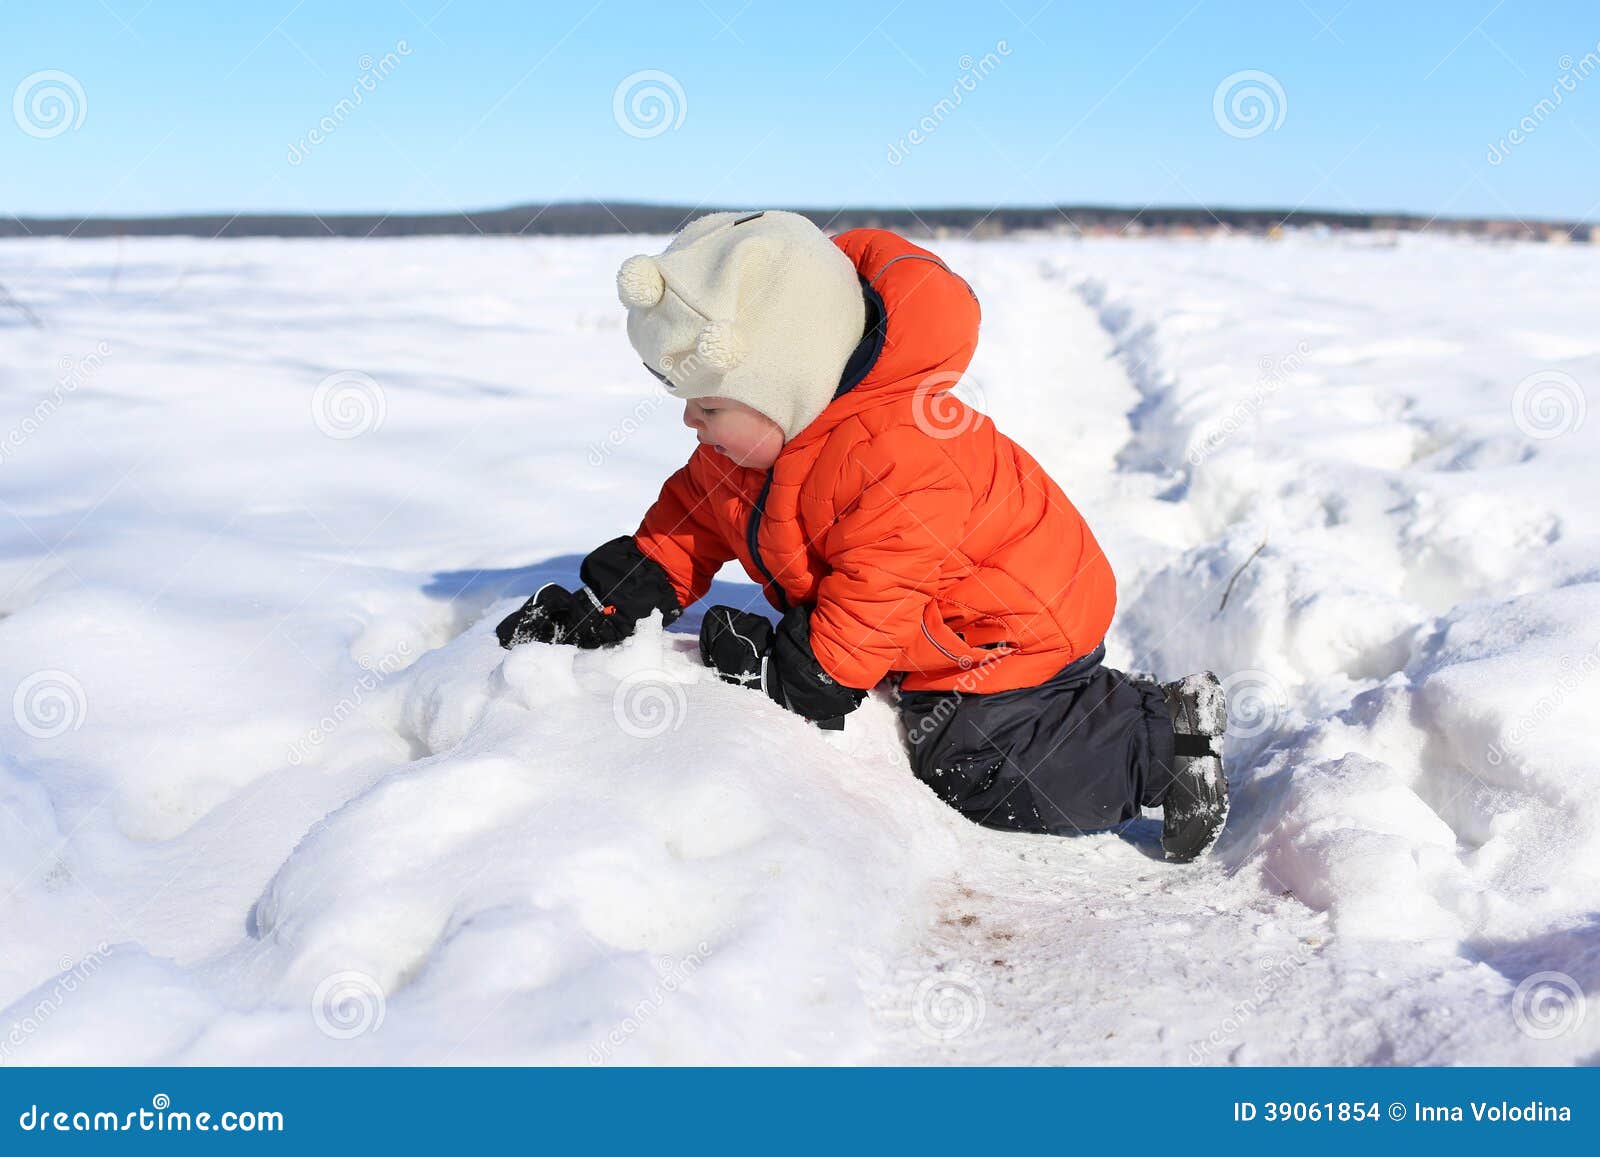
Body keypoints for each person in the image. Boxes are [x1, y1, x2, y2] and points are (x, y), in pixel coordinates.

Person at [496, 209, 1228, 861]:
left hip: (1007, 631)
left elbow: (882, 588)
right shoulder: (745, 450)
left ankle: (1160, 745)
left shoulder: (898, 452)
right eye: (685, 400)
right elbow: (687, 524)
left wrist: (802, 672)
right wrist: (613, 602)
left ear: (786, 387)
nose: (692, 422)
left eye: (709, 404)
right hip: (953, 619)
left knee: (971, 761)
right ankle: (1109, 703)